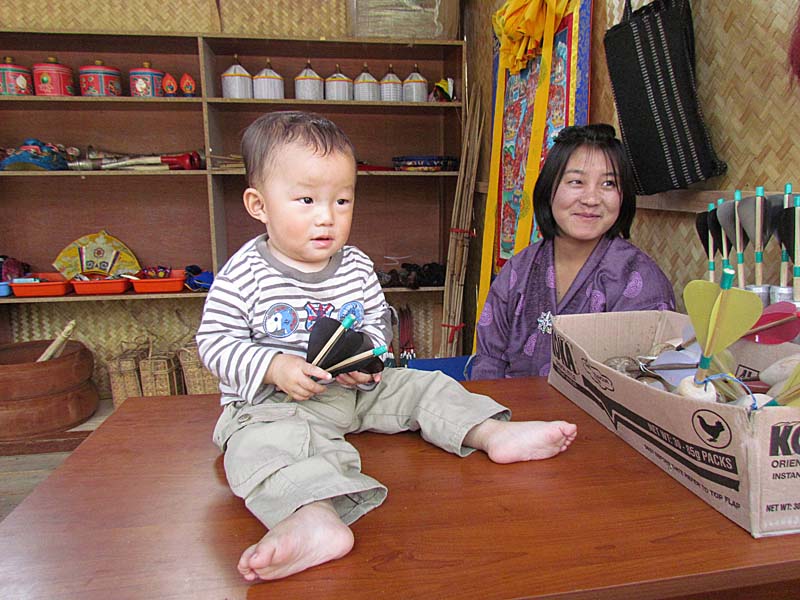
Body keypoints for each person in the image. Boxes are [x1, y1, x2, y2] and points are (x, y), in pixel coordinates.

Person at [196, 111, 578, 582]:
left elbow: (376, 325)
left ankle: (490, 432)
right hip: (274, 405)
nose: (326, 217)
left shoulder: (355, 265)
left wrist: (370, 362)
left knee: (427, 384)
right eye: (306, 200)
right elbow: (214, 343)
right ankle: (312, 516)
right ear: (259, 204)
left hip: (352, 390)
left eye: (341, 200)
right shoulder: (243, 273)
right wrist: (273, 366)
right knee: (258, 446)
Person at [471, 124, 676, 380]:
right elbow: (489, 362)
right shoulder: (518, 271)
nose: (591, 199)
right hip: (512, 417)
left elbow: (644, 383)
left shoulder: (638, 280)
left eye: (609, 183)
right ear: (549, 189)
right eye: (576, 181)